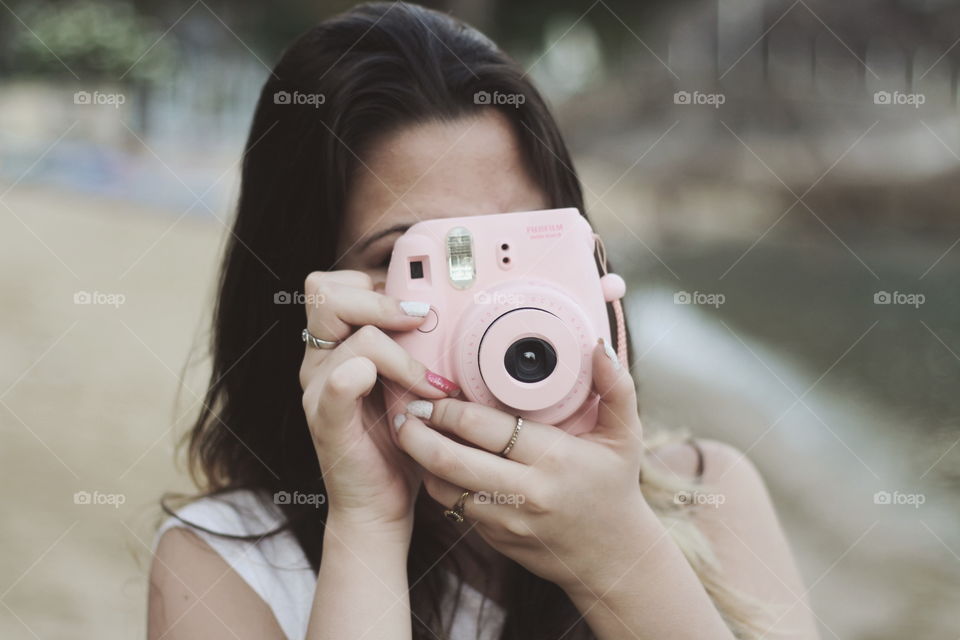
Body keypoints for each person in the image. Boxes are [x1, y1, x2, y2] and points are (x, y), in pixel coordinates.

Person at [148, 3, 818, 639]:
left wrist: (617, 553)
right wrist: (368, 524)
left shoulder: (707, 494)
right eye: (419, 259)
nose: (495, 313)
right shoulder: (224, 563)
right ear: (311, 297)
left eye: (516, 246)